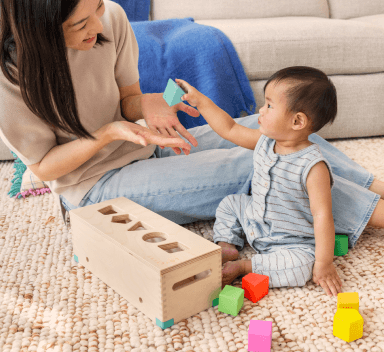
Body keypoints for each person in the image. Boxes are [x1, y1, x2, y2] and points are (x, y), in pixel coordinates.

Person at [0, 0, 383, 294]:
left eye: (98, 7)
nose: (99, 24)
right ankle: (377, 213)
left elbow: (127, 100)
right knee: (262, 163)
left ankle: (374, 188)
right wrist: (108, 133)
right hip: (93, 185)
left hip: (143, 145)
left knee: (286, 137)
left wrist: (144, 102)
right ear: (40, 29)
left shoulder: (111, 17)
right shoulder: (10, 77)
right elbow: (45, 168)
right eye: (81, 24)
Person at [175, 67, 384, 297]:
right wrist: (201, 101)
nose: (260, 111)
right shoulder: (265, 141)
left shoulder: (313, 167)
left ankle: (246, 267)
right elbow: (229, 128)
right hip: (255, 219)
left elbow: (322, 216)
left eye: (269, 106)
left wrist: (324, 264)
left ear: (297, 121)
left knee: (302, 266)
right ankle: (227, 244)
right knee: (229, 203)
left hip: (290, 241)